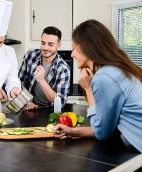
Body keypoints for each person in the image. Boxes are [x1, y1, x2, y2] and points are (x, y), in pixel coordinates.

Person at [53, 19, 142, 153]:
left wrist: (88, 89)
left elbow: (102, 133)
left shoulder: (104, 77)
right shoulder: (118, 69)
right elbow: (108, 128)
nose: (72, 54)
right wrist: (73, 131)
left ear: (87, 47)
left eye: (73, 48)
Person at [18, 26, 70, 110]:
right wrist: (26, 101)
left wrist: (42, 81)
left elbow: (60, 102)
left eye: (50, 44)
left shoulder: (63, 69)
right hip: (28, 107)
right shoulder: (30, 55)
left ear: (58, 45)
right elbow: (20, 82)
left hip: (49, 110)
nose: (45, 48)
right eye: (43, 43)